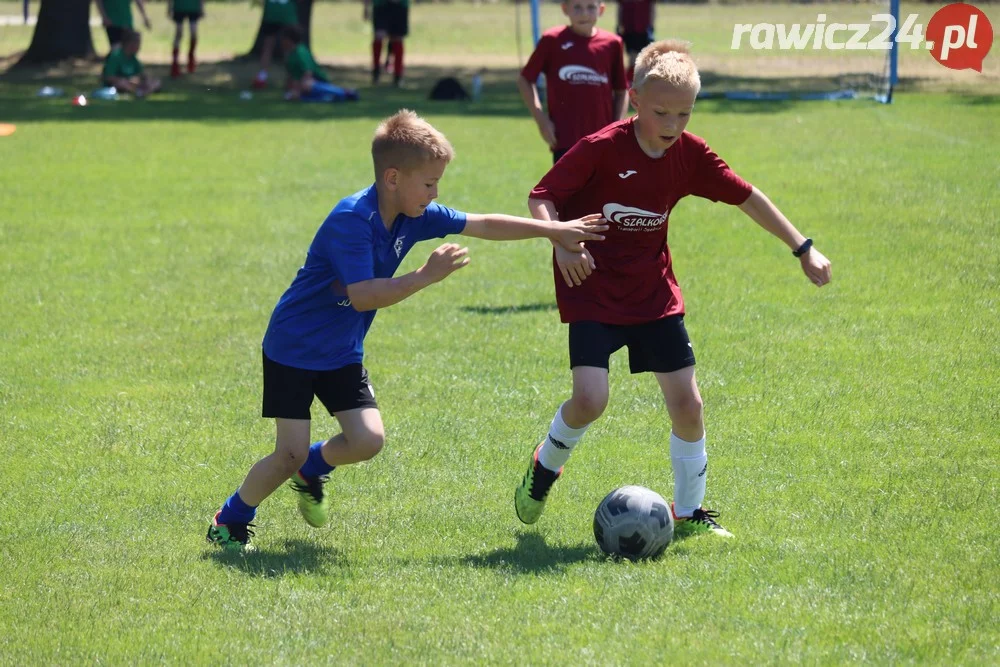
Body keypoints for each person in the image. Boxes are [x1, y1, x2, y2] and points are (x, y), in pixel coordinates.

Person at [206, 110, 608, 552]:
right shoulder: (352, 221)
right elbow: (363, 295)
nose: (436, 193)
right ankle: (231, 517)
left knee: (367, 440)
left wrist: (553, 230)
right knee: (288, 453)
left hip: (341, 351)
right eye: (430, 183)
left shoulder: (414, 213)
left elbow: (484, 223)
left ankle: (314, 468)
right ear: (393, 178)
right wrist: (425, 276)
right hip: (293, 348)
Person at [514, 40, 832, 538]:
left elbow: (747, 197)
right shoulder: (601, 148)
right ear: (635, 100)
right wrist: (562, 241)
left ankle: (689, 512)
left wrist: (802, 247)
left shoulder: (690, 154)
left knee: (689, 404)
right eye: (661, 111)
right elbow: (542, 197)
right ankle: (543, 465)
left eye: (683, 113)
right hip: (591, 284)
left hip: (652, 291)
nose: (672, 124)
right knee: (590, 400)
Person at [517, 0, 628, 164]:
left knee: (601, 190)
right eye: (577, 7)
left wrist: (616, 128)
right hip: (565, 140)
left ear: (601, 9)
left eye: (590, 7)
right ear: (565, 9)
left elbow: (621, 90)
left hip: (603, 142)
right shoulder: (552, 40)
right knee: (568, 190)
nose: (584, 13)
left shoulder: (612, 44)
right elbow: (525, 80)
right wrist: (542, 121)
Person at [280, 25, 359, 102]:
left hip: (316, 81)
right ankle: (330, 97)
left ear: (289, 40)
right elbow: (292, 75)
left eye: (283, 39)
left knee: (307, 85)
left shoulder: (300, 52)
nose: (281, 42)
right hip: (303, 83)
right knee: (293, 96)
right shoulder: (291, 54)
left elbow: (308, 74)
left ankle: (343, 92)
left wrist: (298, 90)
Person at [253, 0, 299, 89]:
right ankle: (291, 79)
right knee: (289, 49)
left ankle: (262, 78)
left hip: (272, 15)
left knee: (268, 47)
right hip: (286, 15)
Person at [102, 29, 161, 97]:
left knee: (156, 82)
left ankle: (143, 91)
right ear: (130, 43)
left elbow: (141, 74)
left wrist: (145, 80)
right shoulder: (115, 56)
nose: (139, 46)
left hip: (134, 84)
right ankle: (140, 92)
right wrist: (128, 80)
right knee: (122, 83)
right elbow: (108, 77)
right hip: (117, 84)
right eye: (138, 43)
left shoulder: (133, 59)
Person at [363, 0, 409, 86]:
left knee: (397, 38)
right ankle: (376, 72)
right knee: (379, 36)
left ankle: (398, 75)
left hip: (399, 6)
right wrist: (366, 7)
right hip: (381, 5)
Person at [616, 0, 654, 85]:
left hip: (642, 29)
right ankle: (631, 81)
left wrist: (651, 27)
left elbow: (652, 8)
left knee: (638, 58)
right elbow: (620, 8)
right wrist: (619, 26)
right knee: (632, 57)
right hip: (628, 28)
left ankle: (635, 81)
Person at [167, 0, 203, 78]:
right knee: (178, 33)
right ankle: (175, 64)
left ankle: (191, 59)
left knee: (193, 33)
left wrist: (201, 7)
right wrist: (169, 8)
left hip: (193, 7)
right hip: (179, 7)